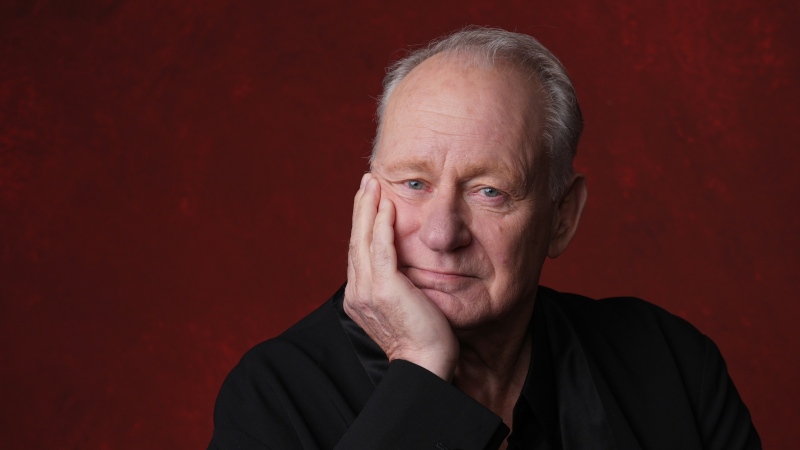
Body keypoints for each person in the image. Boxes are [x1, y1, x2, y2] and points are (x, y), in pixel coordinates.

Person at [208, 27, 760, 450]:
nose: (443, 233)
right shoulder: (271, 397)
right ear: (367, 200)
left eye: (490, 191)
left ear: (562, 217)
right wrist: (419, 368)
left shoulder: (669, 363)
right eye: (414, 183)